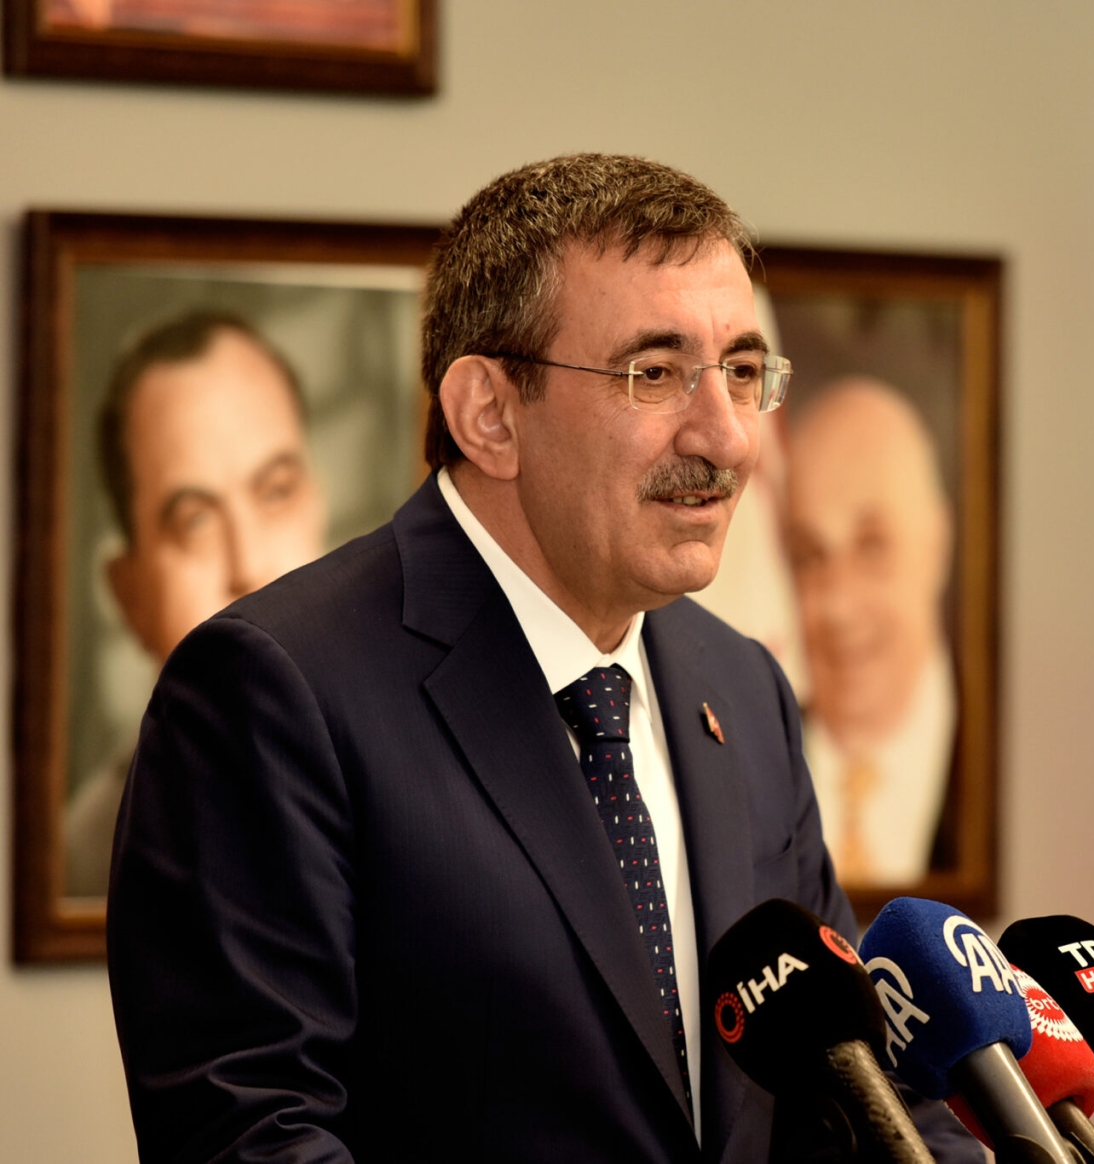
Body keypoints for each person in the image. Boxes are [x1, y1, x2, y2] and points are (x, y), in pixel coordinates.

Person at [107, 154, 979, 1163]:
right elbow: (251, 1134)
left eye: (742, 373)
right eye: (655, 373)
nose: (728, 439)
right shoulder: (272, 691)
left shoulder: (743, 688)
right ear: (489, 413)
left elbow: (846, 1091)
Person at [62, 312, 325, 896]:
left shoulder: (432, 794)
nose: (249, 567)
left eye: (276, 492)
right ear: (128, 595)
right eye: (195, 521)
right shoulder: (86, 861)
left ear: (317, 505)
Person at [787, 378, 956, 887]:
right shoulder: (742, 767)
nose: (837, 605)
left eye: (872, 545)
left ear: (937, 546)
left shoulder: (1029, 761)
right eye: (810, 556)